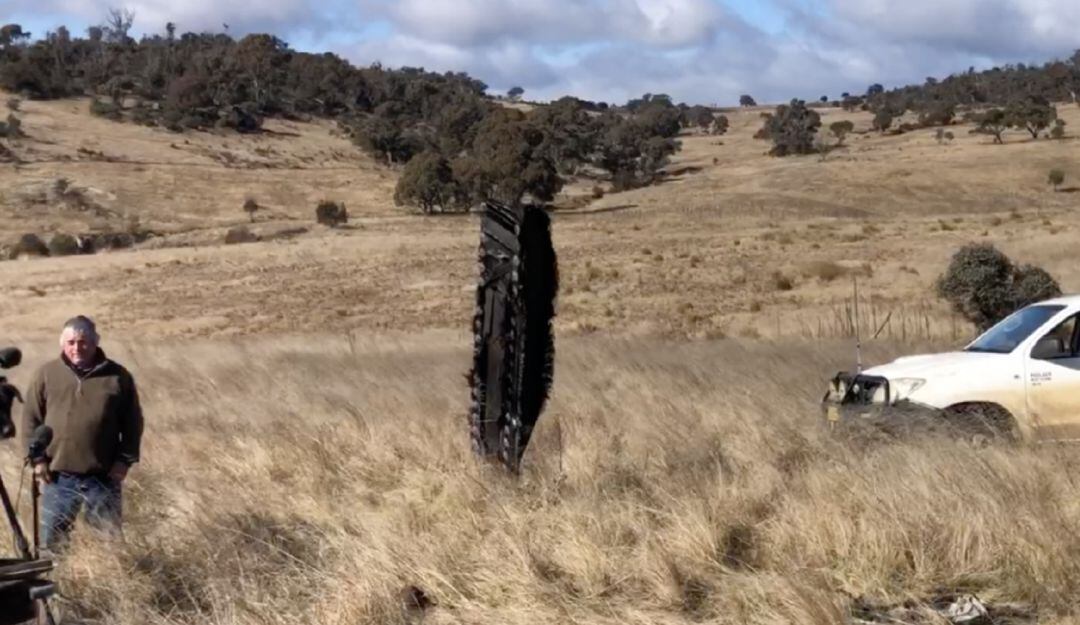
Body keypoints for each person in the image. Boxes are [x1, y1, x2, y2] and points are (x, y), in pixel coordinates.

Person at [20, 316, 144, 551]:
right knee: (52, 546)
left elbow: (133, 423)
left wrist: (124, 460)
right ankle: (57, 585)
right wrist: (37, 460)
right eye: (71, 342)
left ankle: (107, 586)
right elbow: (30, 420)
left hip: (104, 477)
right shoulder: (46, 374)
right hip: (57, 478)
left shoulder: (118, 376)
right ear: (62, 343)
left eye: (84, 341)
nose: (77, 348)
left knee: (107, 545)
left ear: (95, 342)